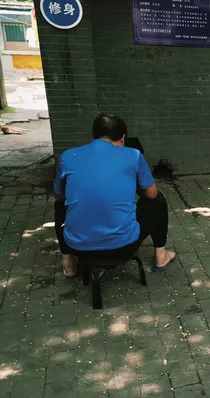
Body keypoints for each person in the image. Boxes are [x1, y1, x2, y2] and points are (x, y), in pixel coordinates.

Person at [53, 114, 176, 276]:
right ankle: (161, 256)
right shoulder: (133, 155)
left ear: (93, 136)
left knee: (60, 205)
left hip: (79, 248)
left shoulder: (68, 156)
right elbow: (152, 194)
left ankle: (68, 263)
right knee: (158, 201)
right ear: (123, 138)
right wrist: (135, 187)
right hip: (123, 247)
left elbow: (59, 196)